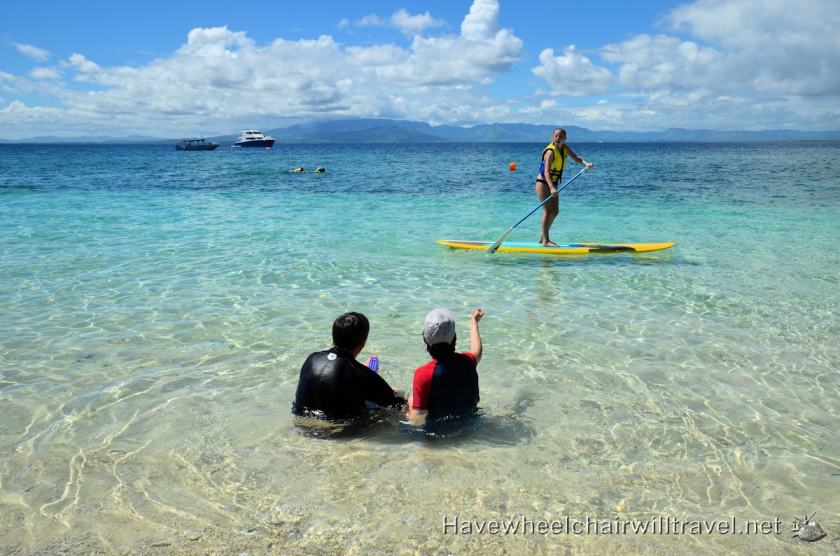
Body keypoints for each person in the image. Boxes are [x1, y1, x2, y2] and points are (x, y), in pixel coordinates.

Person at [293, 312, 405, 421]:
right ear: (364, 341)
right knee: (395, 395)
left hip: (302, 421)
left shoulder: (312, 359)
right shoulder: (359, 373)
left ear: (334, 335)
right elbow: (396, 405)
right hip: (339, 431)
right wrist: (398, 394)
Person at [407, 308, 484, 427]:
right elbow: (477, 351)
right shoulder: (468, 362)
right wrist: (473, 323)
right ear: (455, 338)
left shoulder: (422, 374)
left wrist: (410, 405)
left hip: (440, 434)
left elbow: (417, 419)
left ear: (425, 340)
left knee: (411, 399)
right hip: (470, 424)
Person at [535, 128, 593, 246]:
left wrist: (586, 163)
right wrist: (551, 187)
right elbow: (546, 172)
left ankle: (543, 238)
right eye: (556, 136)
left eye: (560, 136)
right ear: (553, 137)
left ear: (565, 138)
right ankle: (546, 240)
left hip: (553, 184)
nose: (558, 138)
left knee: (555, 211)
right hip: (543, 183)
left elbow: (576, 158)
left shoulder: (564, 148)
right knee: (547, 210)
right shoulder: (550, 152)